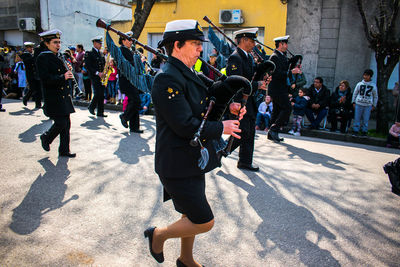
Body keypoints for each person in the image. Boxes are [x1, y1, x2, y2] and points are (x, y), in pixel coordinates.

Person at [146, 19, 246, 267]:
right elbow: (185, 126)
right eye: (194, 44)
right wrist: (221, 127)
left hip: (191, 159)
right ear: (177, 45)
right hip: (176, 163)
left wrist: (231, 106)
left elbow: (209, 95)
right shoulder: (166, 78)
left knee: (189, 214)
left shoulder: (188, 70)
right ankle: (157, 235)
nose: (200, 49)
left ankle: (186, 259)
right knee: (204, 220)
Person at [226, 28, 268, 172]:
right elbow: (236, 82)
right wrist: (257, 85)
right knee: (243, 131)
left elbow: (252, 76)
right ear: (243, 40)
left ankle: (245, 161)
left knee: (250, 131)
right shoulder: (235, 57)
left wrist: (263, 73)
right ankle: (221, 151)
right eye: (251, 41)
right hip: (239, 100)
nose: (253, 44)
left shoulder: (249, 57)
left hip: (249, 99)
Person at [36, 29, 76, 157]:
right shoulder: (42, 58)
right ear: (47, 43)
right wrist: (62, 77)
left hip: (64, 95)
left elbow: (63, 74)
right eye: (55, 42)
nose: (58, 45)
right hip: (53, 97)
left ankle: (64, 150)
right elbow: (45, 78)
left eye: (59, 42)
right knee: (61, 123)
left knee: (66, 125)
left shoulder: (59, 56)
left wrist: (68, 70)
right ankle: (46, 138)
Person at [268, 35, 301, 142]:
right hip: (276, 88)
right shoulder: (275, 57)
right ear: (280, 44)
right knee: (287, 108)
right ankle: (274, 128)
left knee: (277, 110)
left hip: (281, 88)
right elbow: (276, 73)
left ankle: (272, 133)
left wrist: (292, 62)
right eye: (285, 43)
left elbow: (286, 68)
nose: (287, 46)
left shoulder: (281, 56)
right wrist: (291, 72)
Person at [118, 31, 143, 133]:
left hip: (132, 80)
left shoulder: (129, 50)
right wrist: (138, 61)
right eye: (129, 40)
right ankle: (124, 116)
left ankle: (134, 126)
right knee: (136, 100)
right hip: (126, 81)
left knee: (135, 101)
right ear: (123, 40)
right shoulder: (121, 51)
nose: (131, 42)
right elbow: (126, 65)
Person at [351, 69, 378, 136]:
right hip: (359, 103)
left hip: (368, 104)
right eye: (365, 75)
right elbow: (355, 93)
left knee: (365, 119)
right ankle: (355, 130)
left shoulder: (373, 85)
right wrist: (353, 102)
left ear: (370, 76)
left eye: (367, 75)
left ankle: (364, 131)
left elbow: (375, 96)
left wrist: (374, 105)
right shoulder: (359, 84)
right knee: (357, 118)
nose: (365, 77)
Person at [85, 36, 107, 117]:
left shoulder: (101, 53)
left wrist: (105, 73)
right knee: (97, 93)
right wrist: (97, 73)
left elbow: (104, 64)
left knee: (102, 94)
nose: (100, 45)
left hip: (102, 76)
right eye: (99, 43)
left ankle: (100, 112)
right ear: (94, 43)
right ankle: (91, 106)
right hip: (95, 76)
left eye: (101, 43)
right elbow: (88, 66)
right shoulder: (89, 53)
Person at [21, 41, 43, 108]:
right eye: (28, 47)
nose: (30, 49)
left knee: (38, 89)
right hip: (30, 74)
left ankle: (38, 104)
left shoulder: (34, 54)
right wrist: (35, 56)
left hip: (36, 73)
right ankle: (25, 98)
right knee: (32, 88)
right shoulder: (25, 54)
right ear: (26, 48)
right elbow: (29, 61)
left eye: (31, 47)